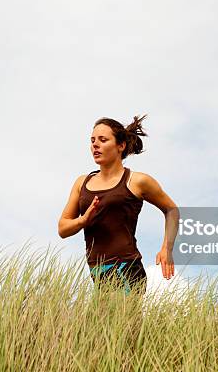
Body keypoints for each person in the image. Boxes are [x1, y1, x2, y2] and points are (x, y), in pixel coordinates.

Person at [58, 114, 179, 296]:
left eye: (103, 140)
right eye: (92, 141)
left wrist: (166, 249)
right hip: (96, 269)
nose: (95, 145)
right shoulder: (81, 183)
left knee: (119, 323)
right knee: (104, 324)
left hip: (126, 267)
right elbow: (62, 228)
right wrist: (83, 220)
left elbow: (172, 210)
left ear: (120, 146)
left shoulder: (137, 181)